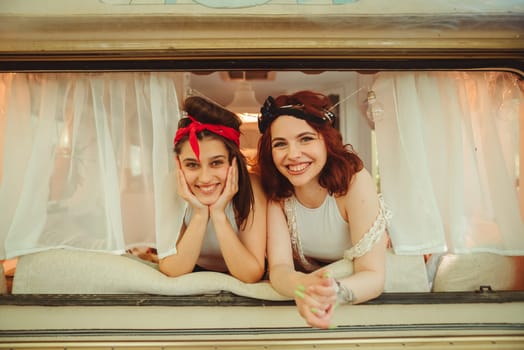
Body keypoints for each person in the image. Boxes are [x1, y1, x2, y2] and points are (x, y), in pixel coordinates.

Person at [255, 90, 390, 328]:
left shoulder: (354, 182)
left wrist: (332, 293)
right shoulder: (276, 192)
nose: (293, 154)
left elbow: (373, 275)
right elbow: (279, 269)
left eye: (305, 139)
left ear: (326, 142)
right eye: (280, 144)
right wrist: (305, 288)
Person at [158, 96, 267, 283]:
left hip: (238, 274)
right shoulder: (172, 185)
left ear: (234, 161)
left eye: (216, 163)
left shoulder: (253, 186)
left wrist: (218, 214)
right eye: (192, 165)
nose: (205, 178)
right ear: (179, 165)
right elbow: (173, 269)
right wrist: (200, 214)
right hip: (194, 270)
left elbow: (251, 274)